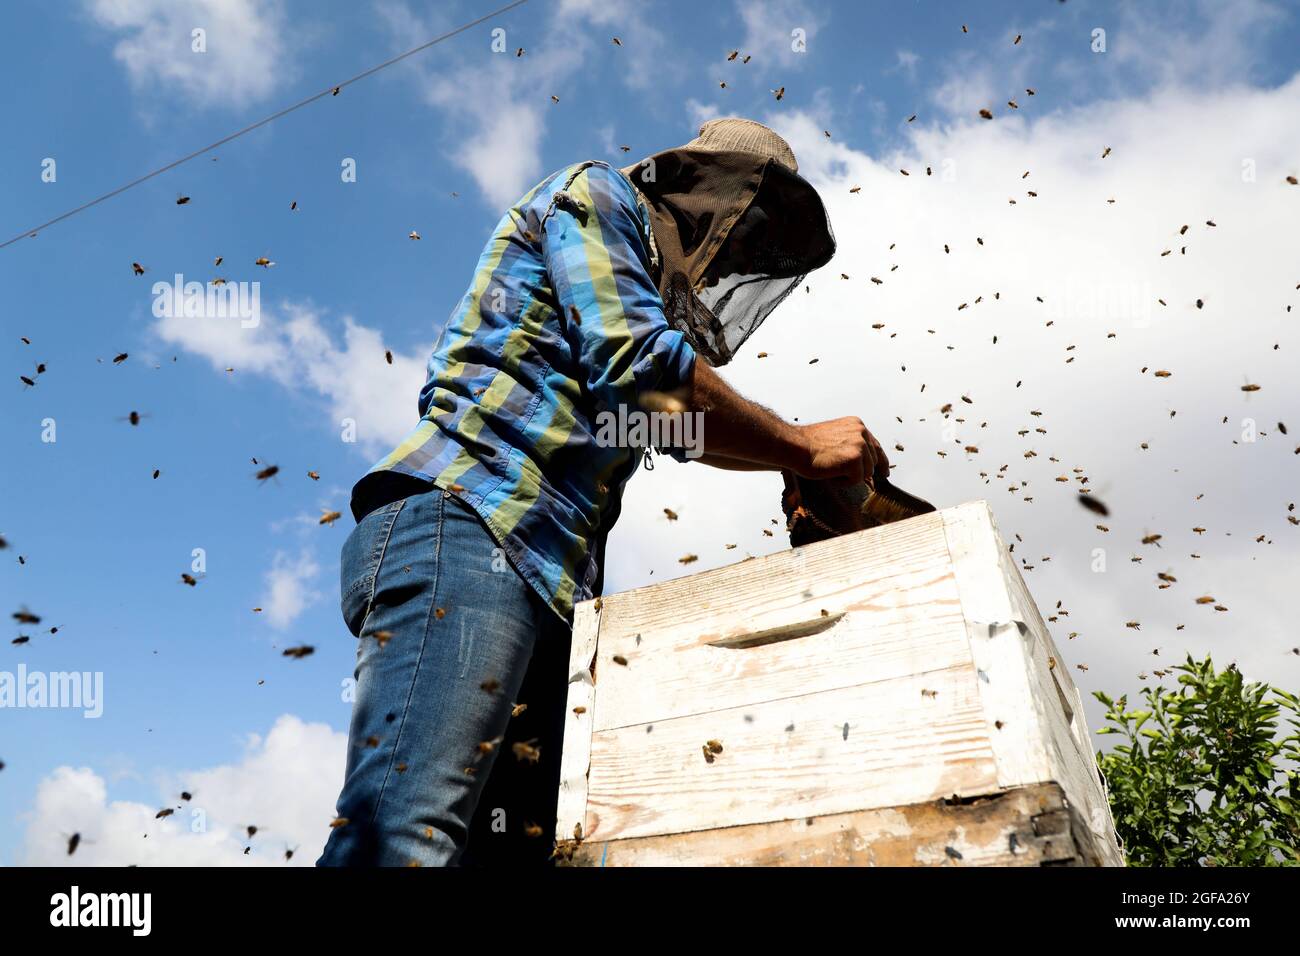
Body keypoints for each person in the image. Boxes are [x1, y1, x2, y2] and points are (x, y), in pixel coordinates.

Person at [317, 118, 889, 867]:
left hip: (551, 593)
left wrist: (789, 463)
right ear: (710, 194)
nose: (736, 263)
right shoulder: (593, 194)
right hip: (471, 525)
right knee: (405, 840)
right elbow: (642, 372)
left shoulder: (630, 293)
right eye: (746, 236)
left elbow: (666, 429)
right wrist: (803, 444)